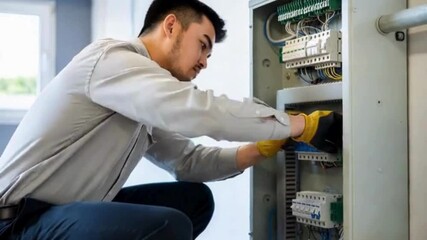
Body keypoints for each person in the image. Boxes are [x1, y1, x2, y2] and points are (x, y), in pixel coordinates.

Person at [0, 0, 342, 239]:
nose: (204, 62)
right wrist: (300, 125)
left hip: (63, 209)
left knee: (194, 201)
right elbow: (198, 110)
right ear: (171, 26)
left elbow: (188, 161)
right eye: (203, 45)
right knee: (169, 226)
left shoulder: (139, 97)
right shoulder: (111, 59)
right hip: (19, 221)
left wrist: (260, 148)